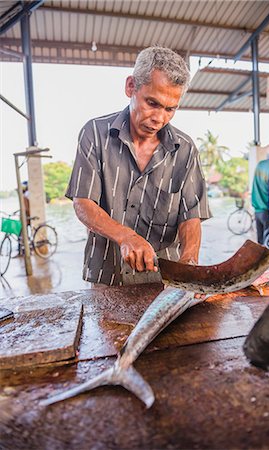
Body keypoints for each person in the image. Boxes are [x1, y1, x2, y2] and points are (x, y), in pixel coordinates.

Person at [66, 46, 210, 286]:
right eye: (152, 103)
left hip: (167, 278)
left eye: (170, 109)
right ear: (131, 87)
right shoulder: (94, 133)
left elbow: (191, 216)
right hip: (107, 276)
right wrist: (126, 237)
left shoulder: (185, 149)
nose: (159, 118)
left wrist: (189, 264)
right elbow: (83, 203)